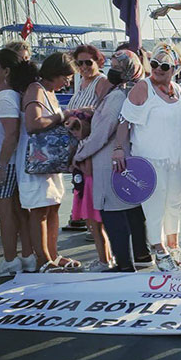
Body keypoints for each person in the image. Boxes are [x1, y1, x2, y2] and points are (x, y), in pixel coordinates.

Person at [116, 42, 181, 271]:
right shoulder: (143, 88)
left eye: (164, 66)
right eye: (154, 63)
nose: (157, 69)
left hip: (175, 159)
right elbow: (124, 121)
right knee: (155, 205)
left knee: (174, 202)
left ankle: (173, 245)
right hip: (150, 159)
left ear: (175, 68)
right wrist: (119, 149)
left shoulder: (176, 90)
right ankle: (159, 249)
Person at [75, 50, 148, 272]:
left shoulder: (118, 96)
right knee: (132, 209)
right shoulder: (136, 91)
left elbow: (103, 131)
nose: (111, 70)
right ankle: (142, 254)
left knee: (112, 211)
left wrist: (80, 154)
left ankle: (124, 263)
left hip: (110, 160)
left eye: (116, 66)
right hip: (128, 158)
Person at [16, 52, 80, 272]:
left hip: (49, 163)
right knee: (39, 210)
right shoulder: (36, 90)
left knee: (53, 207)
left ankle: (53, 254)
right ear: (56, 73)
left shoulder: (50, 93)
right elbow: (33, 124)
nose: (69, 81)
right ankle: (43, 259)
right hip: (35, 163)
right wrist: (61, 116)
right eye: (67, 76)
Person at [0, 49, 33, 277]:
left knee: (6, 216)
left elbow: (10, 133)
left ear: (6, 71)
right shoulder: (9, 96)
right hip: (4, 161)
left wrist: (0, 166)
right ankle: (27, 256)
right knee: (17, 213)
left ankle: (10, 260)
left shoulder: (4, 97)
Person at [68, 44, 112, 270]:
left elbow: (103, 117)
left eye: (88, 62)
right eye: (79, 63)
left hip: (92, 154)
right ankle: (105, 257)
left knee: (94, 212)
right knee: (87, 211)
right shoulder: (80, 82)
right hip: (80, 151)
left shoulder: (101, 83)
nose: (84, 67)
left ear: (98, 62)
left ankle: (105, 259)